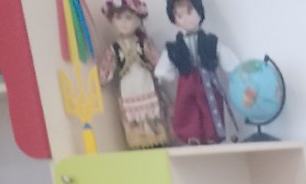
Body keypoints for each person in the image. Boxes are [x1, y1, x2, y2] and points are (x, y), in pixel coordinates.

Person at [154, 0, 237, 146]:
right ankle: (192, 135)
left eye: (190, 12)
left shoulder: (210, 41)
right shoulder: (174, 46)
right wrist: (162, 74)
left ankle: (212, 135)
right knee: (186, 107)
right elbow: (167, 62)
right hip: (186, 81)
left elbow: (224, 55)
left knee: (210, 106)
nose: (186, 19)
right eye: (179, 16)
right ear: (174, 20)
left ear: (199, 12)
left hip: (208, 80)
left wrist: (236, 69)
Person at [99, 1, 169, 150]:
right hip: (128, 88)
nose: (123, 23)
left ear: (138, 20)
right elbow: (106, 71)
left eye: (128, 17)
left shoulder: (144, 43)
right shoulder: (114, 48)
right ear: (112, 21)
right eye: (119, 18)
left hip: (146, 84)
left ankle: (156, 138)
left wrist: (163, 71)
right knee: (133, 116)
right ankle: (139, 142)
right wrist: (101, 78)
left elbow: (157, 62)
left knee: (151, 113)